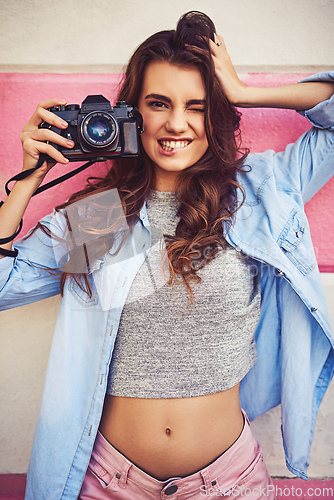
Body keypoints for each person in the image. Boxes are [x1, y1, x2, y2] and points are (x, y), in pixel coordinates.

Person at [0, 10, 333, 500]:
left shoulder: (256, 194)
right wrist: (29, 179)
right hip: (109, 482)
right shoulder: (105, 218)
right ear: (131, 112)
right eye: (159, 103)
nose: (177, 123)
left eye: (197, 106)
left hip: (230, 483)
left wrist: (243, 92)